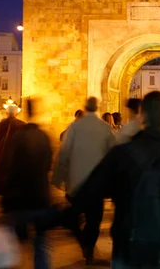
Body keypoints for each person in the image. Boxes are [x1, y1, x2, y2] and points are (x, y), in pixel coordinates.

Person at [67, 91, 160, 269]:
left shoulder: (121, 155)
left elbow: (88, 193)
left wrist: (55, 216)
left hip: (128, 247)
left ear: (141, 117)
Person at [52, 97, 115, 265]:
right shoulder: (105, 128)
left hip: (75, 182)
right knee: (94, 220)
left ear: (86, 108)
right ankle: (88, 249)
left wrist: (58, 177)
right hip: (96, 184)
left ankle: (83, 242)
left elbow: (64, 153)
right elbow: (113, 156)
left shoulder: (74, 127)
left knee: (74, 214)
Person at [0, 99, 52, 269]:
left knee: (12, 244)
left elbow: (8, 166)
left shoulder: (17, 137)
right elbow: (49, 165)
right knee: (41, 245)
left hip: (19, 199)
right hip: (40, 197)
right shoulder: (44, 137)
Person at [0, 105, 25, 195]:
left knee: (1, 170)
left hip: (1, 152)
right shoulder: (21, 124)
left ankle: (1, 187)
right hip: (16, 153)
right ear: (16, 113)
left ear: (6, 113)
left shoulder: (1, 124)